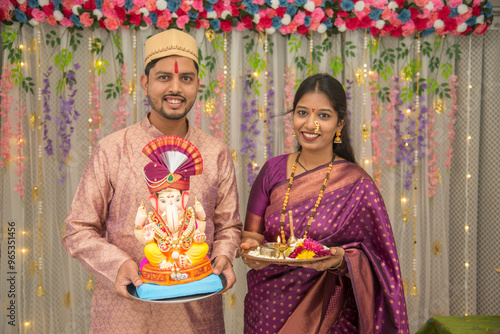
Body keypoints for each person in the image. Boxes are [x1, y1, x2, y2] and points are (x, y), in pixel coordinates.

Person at [62, 29, 242, 333]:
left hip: (196, 312)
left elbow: (229, 227)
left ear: (198, 84)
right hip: (126, 313)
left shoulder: (216, 153)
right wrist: (119, 265)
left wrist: (224, 254)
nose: (175, 88)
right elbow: (78, 230)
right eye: (163, 78)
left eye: (186, 78)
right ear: (144, 82)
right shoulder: (113, 149)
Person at [240, 74, 409, 333]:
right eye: (302, 112)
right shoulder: (272, 171)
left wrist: (341, 260)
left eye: (324, 116)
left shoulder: (357, 183)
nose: (311, 124)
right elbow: (253, 234)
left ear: (339, 124)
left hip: (332, 315)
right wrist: (251, 250)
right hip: (267, 309)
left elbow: (380, 261)